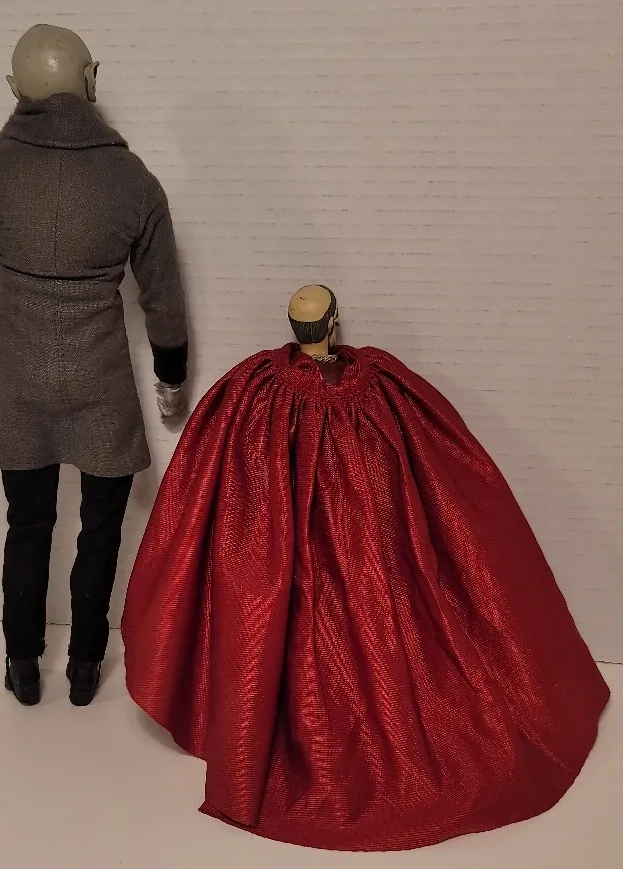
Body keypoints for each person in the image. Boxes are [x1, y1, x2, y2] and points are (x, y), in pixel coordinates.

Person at [121, 284, 609, 851]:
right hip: (346, 569)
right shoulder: (374, 387)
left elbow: (209, 479)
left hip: (334, 567)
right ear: (333, 322)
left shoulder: (257, 389)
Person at [0, 24, 188, 706]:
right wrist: (171, 368)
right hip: (102, 378)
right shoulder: (132, 179)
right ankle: (85, 664)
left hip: (21, 378)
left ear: (15, 89)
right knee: (102, 526)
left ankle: (21, 661)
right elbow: (162, 291)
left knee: (28, 523)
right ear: (91, 80)